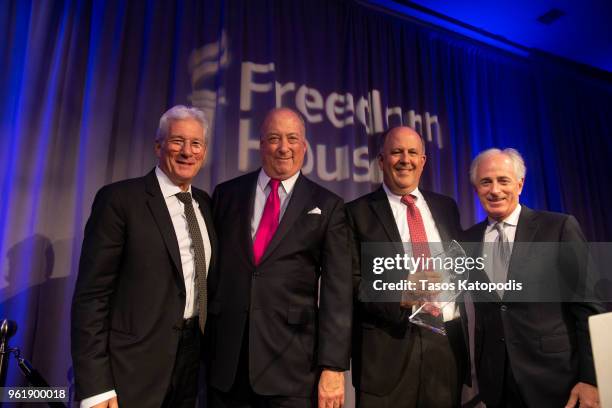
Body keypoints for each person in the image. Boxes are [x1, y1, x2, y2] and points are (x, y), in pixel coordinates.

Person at [71, 105, 216, 408]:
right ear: (158, 146)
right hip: (131, 370)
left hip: (192, 365)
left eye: (196, 143)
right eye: (177, 141)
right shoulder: (120, 200)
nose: (187, 151)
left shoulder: (205, 203)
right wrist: (96, 386)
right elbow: (92, 297)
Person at [207, 107, 352, 408]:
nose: (283, 147)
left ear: (305, 146)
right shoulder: (226, 194)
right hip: (227, 366)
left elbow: (338, 293)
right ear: (260, 144)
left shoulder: (328, 205)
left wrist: (334, 367)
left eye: (292, 138)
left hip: (292, 368)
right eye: (274, 138)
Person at [464, 147, 603, 408]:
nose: (495, 190)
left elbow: (589, 307)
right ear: (475, 188)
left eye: (503, 180)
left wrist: (593, 379)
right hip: (497, 385)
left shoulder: (559, 228)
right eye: (486, 181)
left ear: (520, 183)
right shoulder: (466, 240)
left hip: (559, 381)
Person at [346, 126, 465, 407]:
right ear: (381, 160)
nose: (405, 159)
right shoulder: (356, 213)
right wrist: (400, 295)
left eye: (412, 152)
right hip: (387, 355)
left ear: (423, 161)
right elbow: (350, 282)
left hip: (445, 350)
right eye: (396, 152)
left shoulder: (447, 207)